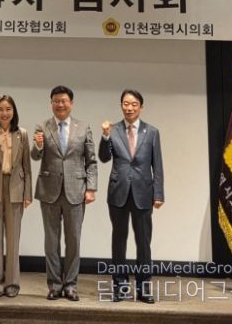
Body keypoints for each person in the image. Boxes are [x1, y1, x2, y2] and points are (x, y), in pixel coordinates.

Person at [31, 85, 97, 301]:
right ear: (51, 103)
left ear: (71, 103)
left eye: (64, 101)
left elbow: (91, 161)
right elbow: (35, 156)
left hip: (76, 191)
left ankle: (70, 285)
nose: (60, 104)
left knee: (74, 240)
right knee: (51, 242)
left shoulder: (83, 127)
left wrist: (91, 188)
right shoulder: (42, 126)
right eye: (56, 101)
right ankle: (54, 285)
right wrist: (37, 146)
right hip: (49, 190)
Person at [99, 89, 164, 304]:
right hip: (118, 192)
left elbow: (157, 166)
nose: (129, 108)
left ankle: (144, 288)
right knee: (118, 241)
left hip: (144, 193)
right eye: (126, 104)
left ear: (141, 107)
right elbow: (104, 157)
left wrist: (158, 193)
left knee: (143, 243)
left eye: (134, 104)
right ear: (121, 106)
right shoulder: (113, 130)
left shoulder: (152, 132)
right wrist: (105, 136)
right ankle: (120, 286)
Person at [0, 95, 32, 298]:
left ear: (14, 112)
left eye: (8, 109)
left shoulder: (22, 134)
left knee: (13, 240)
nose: (4, 113)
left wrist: (28, 194)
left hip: (16, 188)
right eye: (0, 109)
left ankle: (12, 284)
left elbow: (27, 166)